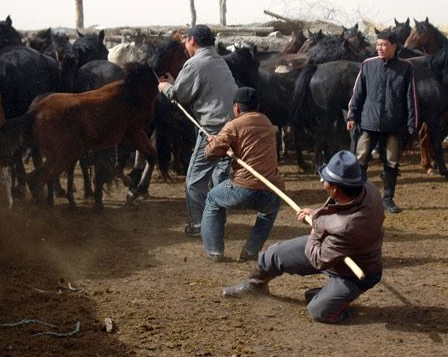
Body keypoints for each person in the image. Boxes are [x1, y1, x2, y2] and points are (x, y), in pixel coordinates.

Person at [221, 150, 384, 324]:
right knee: (274, 253)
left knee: (320, 311)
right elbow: (338, 210)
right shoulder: (362, 187)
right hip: (334, 244)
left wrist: (316, 227)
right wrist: (315, 215)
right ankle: (254, 286)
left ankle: (334, 299)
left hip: (354, 271)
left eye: (325, 180)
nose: (322, 181)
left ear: (335, 189)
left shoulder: (347, 227)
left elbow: (318, 259)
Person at [158, 24, 238, 237]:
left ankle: (198, 225)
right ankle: (218, 221)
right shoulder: (219, 60)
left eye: (186, 40)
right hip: (232, 126)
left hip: (211, 129)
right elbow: (196, 87)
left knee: (195, 180)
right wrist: (177, 84)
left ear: (192, 41)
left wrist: (165, 87)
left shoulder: (193, 63)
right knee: (221, 176)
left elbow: (179, 96)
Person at [201, 87, 283, 262]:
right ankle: (251, 251)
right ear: (257, 106)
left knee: (213, 200)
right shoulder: (267, 122)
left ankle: (214, 250)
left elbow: (210, 154)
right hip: (272, 188)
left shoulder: (234, 125)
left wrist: (213, 142)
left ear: (237, 107)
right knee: (268, 212)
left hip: (244, 187)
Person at [346, 28, 417, 213]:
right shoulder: (368, 65)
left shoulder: (406, 67)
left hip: (394, 124)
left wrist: (412, 124)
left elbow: (411, 98)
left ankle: (388, 199)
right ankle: (357, 198)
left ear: (394, 46)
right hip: (369, 122)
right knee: (360, 160)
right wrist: (352, 115)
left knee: (391, 162)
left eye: (384, 45)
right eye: (378, 44)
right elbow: (358, 93)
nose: (380, 48)